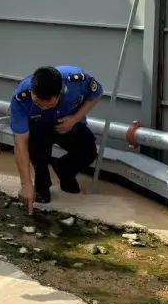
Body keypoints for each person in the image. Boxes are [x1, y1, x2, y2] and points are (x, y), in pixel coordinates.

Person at [10, 65, 103, 208]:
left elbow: (97, 94)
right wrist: (26, 184)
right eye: (38, 104)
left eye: (49, 105)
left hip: (68, 121)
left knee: (88, 151)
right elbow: (20, 142)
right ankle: (42, 187)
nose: (43, 108)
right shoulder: (20, 98)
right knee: (38, 155)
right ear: (31, 92)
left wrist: (75, 119)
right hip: (38, 126)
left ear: (61, 93)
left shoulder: (77, 80)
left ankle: (64, 170)